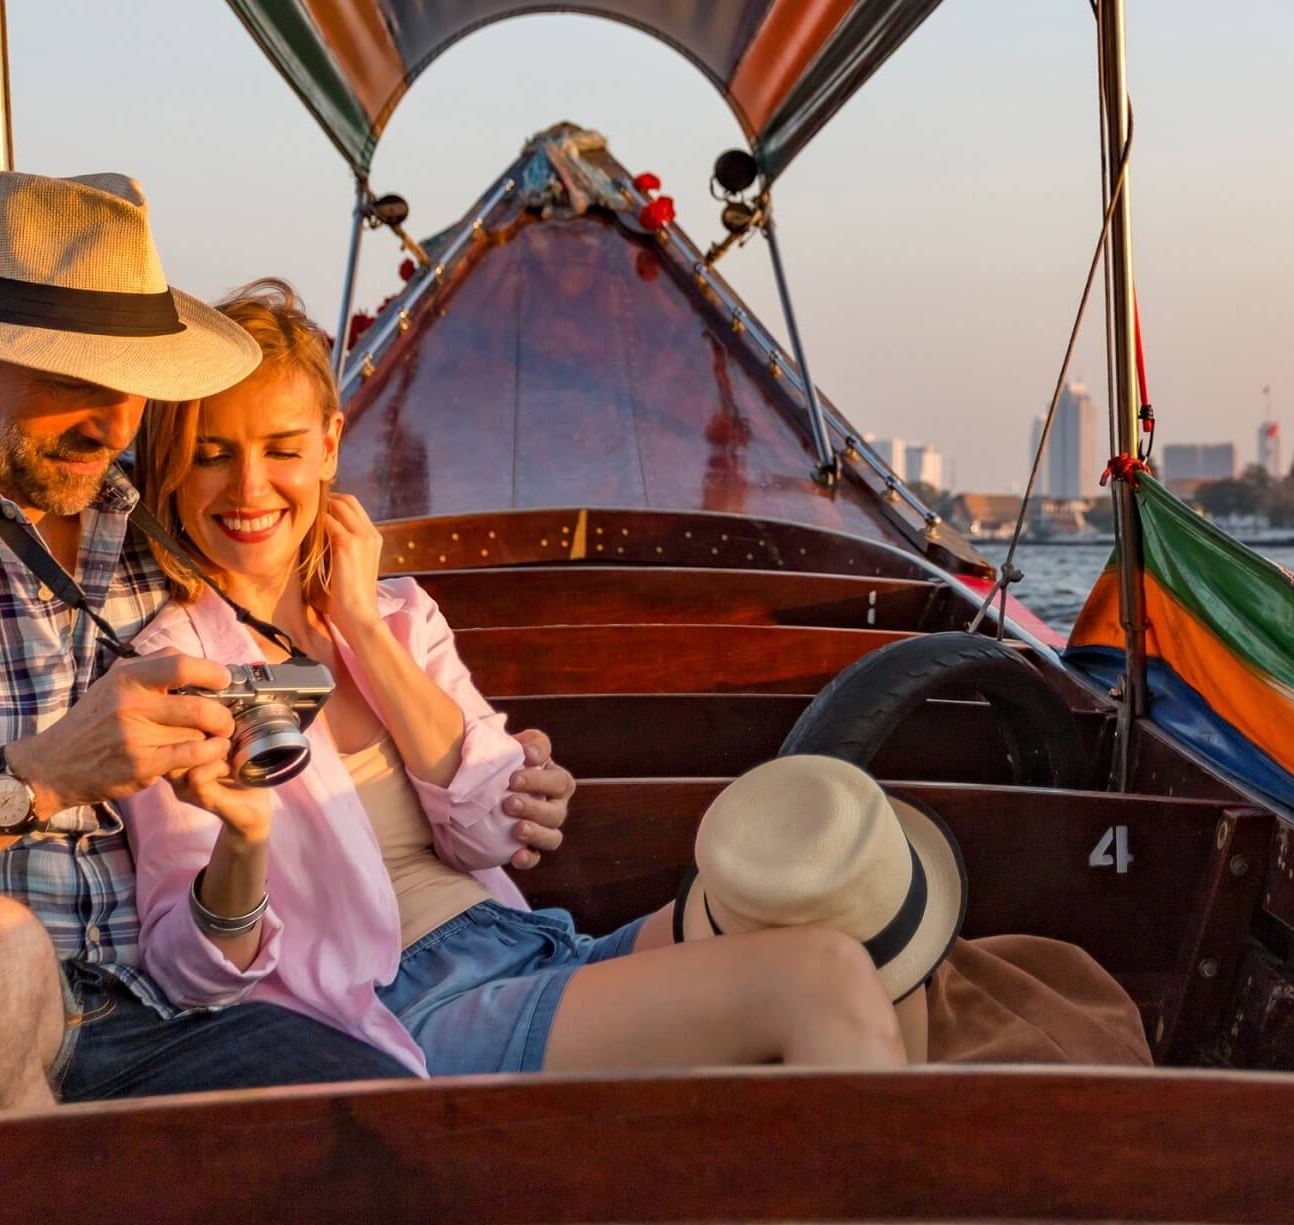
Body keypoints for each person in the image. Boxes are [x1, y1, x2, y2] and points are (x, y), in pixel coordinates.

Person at [0, 171, 580, 1126]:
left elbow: (322, 624)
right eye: (68, 380)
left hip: (163, 1010)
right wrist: (32, 780)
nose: (110, 426)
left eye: (134, 389)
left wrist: (503, 769)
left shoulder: (144, 518)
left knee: (394, 1130)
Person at [121, 281, 938, 1075]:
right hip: (403, 1010)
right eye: (211, 455)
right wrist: (245, 837)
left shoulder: (398, 613)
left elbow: (491, 828)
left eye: (282, 450)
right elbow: (190, 970)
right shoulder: (173, 667)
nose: (250, 487)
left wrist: (364, 629)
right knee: (819, 982)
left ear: (330, 444)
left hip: (524, 943)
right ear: (171, 469)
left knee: (866, 910)